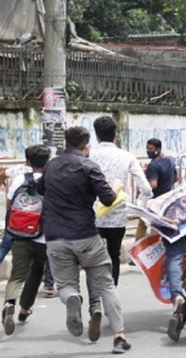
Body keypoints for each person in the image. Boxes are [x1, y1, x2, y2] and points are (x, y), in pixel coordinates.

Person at [38, 126, 132, 354]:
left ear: (66, 143)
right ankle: (119, 337)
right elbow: (108, 199)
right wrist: (117, 186)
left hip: (55, 236)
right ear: (86, 145)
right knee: (106, 285)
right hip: (85, 235)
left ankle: (73, 298)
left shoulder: (51, 165)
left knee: (66, 285)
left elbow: (40, 189)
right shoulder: (89, 166)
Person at [89, 116, 153, 288]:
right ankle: (112, 291)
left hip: (92, 214)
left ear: (96, 135)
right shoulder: (127, 157)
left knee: (93, 256)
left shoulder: (89, 156)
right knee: (113, 254)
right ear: (116, 135)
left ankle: (96, 295)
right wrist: (139, 204)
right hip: (117, 215)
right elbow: (146, 189)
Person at [2, 145, 50, 336]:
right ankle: (24, 309)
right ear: (48, 162)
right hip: (44, 237)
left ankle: (9, 302)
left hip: (20, 234)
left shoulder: (20, 180)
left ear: (28, 162)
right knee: (37, 272)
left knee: (17, 274)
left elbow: (9, 204)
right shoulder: (52, 181)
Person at [134, 138, 177, 242]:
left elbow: (153, 185)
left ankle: (138, 249)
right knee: (159, 226)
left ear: (158, 149)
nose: (148, 151)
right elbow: (176, 178)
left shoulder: (153, 165)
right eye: (147, 148)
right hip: (166, 199)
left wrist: (141, 188)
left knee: (144, 225)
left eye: (150, 149)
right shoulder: (170, 160)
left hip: (153, 201)